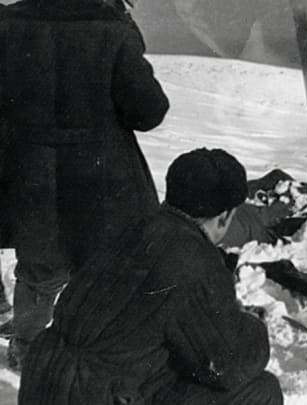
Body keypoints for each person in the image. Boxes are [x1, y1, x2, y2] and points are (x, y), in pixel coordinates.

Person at [19, 148, 283, 405]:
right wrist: (253, 326)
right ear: (224, 217)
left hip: (45, 379)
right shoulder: (191, 257)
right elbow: (227, 365)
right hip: (96, 393)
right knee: (261, 390)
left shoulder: (131, 226)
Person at [0, 0, 168, 367]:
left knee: (38, 270)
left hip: (31, 176)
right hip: (101, 180)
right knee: (103, 270)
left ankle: (26, 350)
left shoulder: (7, 23)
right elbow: (149, 111)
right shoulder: (112, 27)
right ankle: (95, 355)